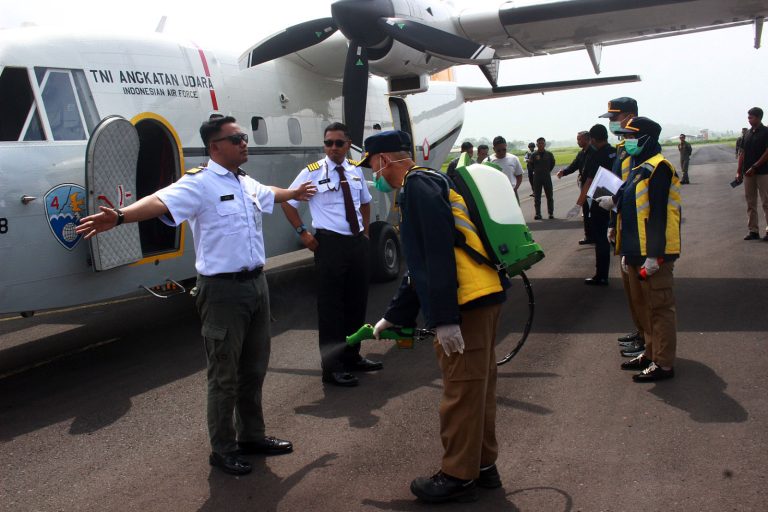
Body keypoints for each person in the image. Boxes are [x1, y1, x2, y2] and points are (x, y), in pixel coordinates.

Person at [76, 116, 316, 475]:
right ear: (214, 146)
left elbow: (270, 192)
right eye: (236, 138)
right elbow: (159, 201)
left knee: (254, 368)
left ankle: (252, 436)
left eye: (244, 137)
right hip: (222, 293)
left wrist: (294, 194)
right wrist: (122, 217)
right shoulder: (199, 184)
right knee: (224, 376)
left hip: (256, 286)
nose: (244, 142)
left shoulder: (245, 183)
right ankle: (223, 448)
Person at [361, 130, 507, 503]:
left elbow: (439, 254)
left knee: (461, 391)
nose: (372, 174)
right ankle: (483, 465)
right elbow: (421, 264)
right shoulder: (426, 182)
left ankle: (458, 475)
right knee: (477, 388)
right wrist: (394, 316)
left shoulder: (418, 188)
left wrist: (444, 317)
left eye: (371, 166)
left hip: (466, 300)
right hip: (478, 293)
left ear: (384, 160)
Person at [281, 122, 382, 387]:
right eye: (328, 143)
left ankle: (353, 357)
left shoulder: (356, 171)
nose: (333, 148)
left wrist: (366, 234)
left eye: (339, 143)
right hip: (330, 246)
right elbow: (288, 203)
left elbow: (365, 203)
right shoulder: (312, 172)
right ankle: (333, 367)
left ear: (349, 145)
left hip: (357, 244)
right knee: (331, 309)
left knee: (357, 303)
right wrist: (304, 233)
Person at [596, 117, 681, 382]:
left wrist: (654, 255)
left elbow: (657, 215)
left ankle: (664, 363)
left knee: (659, 308)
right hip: (634, 250)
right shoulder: (638, 168)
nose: (627, 142)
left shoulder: (660, 168)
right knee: (642, 306)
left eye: (631, 137)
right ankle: (650, 352)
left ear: (646, 139)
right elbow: (628, 205)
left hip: (652, 252)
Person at [599, 97, 646, 356]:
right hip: (621, 221)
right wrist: (611, 222)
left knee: (641, 292)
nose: (613, 124)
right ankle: (640, 331)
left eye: (615, 119)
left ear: (629, 115)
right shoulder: (623, 147)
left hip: (634, 227)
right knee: (631, 290)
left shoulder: (639, 147)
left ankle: (647, 340)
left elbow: (631, 190)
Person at [578, 124, 616, 285]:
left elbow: (590, 179)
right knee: (611, 234)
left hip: (600, 199)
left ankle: (601, 275)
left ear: (592, 139)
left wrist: (580, 201)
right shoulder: (615, 152)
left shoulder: (596, 155)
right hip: (616, 198)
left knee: (600, 238)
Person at [735, 107, 768, 241]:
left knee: (766, 201)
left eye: (751, 117)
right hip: (748, 173)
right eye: (748, 117)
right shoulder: (747, 134)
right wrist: (738, 171)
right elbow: (742, 153)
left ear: (759, 117)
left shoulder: (766, 132)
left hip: (763, 172)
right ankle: (753, 230)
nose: (749, 120)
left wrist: (755, 166)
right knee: (750, 202)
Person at [557, 130, 594, 243]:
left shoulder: (594, 153)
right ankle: (589, 236)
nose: (578, 141)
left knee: (596, 212)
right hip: (584, 185)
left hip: (594, 186)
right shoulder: (581, 153)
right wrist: (563, 172)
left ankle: (599, 235)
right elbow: (574, 165)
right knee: (587, 211)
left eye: (579, 139)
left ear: (587, 139)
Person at [529, 137, 556, 219]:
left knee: (549, 196)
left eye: (542, 143)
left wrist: (547, 171)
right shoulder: (533, 155)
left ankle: (550, 213)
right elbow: (530, 165)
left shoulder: (549, 154)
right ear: (537, 144)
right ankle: (538, 213)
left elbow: (552, 164)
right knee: (537, 197)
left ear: (545, 144)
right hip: (537, 177)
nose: (541, 145)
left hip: (547, 176)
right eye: (539, 143)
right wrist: (536, 171)